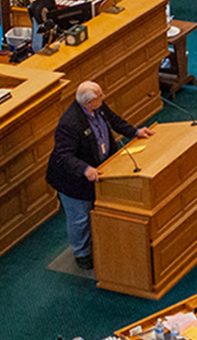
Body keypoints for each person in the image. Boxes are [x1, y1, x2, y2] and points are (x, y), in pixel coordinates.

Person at [45, 81, 156, 270]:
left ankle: (98, 243)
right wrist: (85, 169)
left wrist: (135, 132)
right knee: (80, 218)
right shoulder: (70, 123)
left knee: (99, 209)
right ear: (88, 103)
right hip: (73, 180)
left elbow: (114, 120)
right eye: (99, 96)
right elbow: (64, 156)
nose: (103, 98)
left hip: (101, 169)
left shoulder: (98, 107)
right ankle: (81, 253)